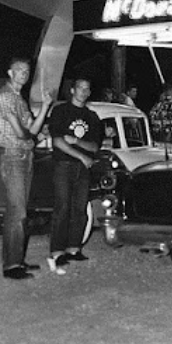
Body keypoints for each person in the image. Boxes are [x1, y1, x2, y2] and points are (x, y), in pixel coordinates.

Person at [0, 56, 53, 280]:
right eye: (19, 70)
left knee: (19, 212)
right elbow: (23, 133)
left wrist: (45, 106)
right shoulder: (5, 96)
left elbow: (34, 130)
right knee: (18, 212)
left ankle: (16, 260)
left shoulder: (20, 100)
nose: (24, 75)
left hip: (25, 156)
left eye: (26, 71)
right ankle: (11, 266)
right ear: (10, 73)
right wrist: (31, 133)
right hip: (13, 156)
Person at [45, 78, 102, 274]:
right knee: (62, 208)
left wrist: (76, 140)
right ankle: (57, 251)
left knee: (79, 210)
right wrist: (81, 155)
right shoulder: (60, 111)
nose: (83, 92)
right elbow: (58, 141)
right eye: (80, 88)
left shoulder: (92, 116)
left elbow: (94, 146)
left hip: (83, 169)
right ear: (72, 90)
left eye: (87, 89)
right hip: (64, 165)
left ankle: (74, 248)